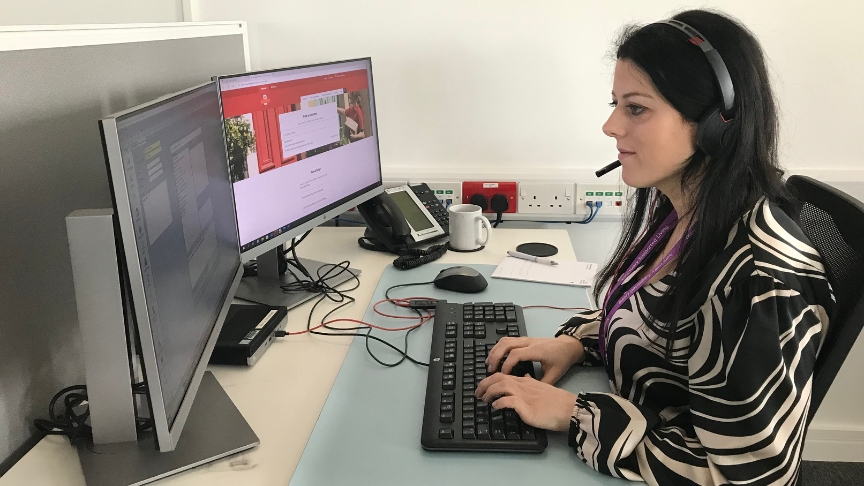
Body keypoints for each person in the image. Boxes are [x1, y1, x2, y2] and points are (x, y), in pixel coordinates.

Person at [475, 9, 835, 485]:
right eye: (615, 103)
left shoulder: (759, 279)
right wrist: (577, 343)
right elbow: (648, 321)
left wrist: (575, 413)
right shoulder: (683, 213)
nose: (610, 126)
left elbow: (750, 478)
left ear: (714, 124)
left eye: (635, 108)